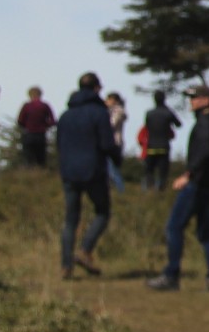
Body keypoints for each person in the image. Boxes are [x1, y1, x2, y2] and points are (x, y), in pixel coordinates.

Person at [147, 85, 209, 293]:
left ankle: (171, 275)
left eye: (194, 98)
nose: (191, 102)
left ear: (206, 100)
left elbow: (204, 151)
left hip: (198, 184)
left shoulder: (204, 124)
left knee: (174, 227)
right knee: (206, 232)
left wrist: (189, 175)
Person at [56, 73, 120, 279]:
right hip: (93, 170)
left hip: (69, 172)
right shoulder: (99, 113)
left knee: (70, 220)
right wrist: (117, 160)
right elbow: (107, 144)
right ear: (96, 89)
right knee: (102, 212)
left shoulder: (66, 115)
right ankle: (85, 250)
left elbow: (58, 144)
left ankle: (66, 266)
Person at [141, 90, 182, 191]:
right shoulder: (168, 113)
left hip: (151, 146)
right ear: (164, 99)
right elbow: (179, 124)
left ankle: (147, 190)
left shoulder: (149, 113)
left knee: (149, 171)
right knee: (163, 172)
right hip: (164, 146)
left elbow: (147, 126)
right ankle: (160, 191)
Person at [17, 87, 56, 167]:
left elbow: (20, 121)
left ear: (29, 95)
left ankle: (30, 176)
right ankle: (41, 175)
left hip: (29, 135)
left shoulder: (26, 106)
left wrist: (26, 126)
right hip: (41, 135)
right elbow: (53, 121)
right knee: (41, 160)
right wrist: (45, 125)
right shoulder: (45, 106)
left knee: (28, 160)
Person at [104, 92, 128, 191]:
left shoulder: (118, 111)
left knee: (113, 169)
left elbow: (111, 125)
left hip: (115, 142)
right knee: (109, 168)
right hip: (111, 141)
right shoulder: (111, 111)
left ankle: (120, 189)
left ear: (114, 100)